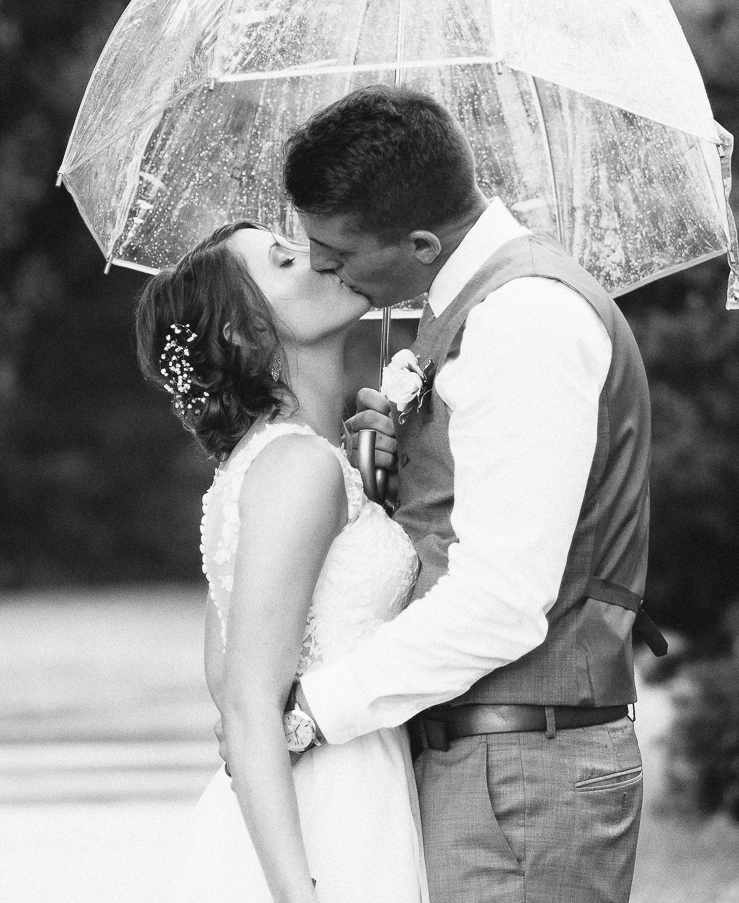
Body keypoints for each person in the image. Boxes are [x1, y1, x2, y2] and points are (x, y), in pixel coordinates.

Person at [277, 84, 656, 903]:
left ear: (419, 243)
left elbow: (502, 599)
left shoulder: (525, 322)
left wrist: (315, 708)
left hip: (523, 776)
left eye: (334, 249)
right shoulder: (471, 312)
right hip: (490, 764)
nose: (318, 267)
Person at [136, 223, 428, 903]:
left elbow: (224, 668)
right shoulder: (297, 467)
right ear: (244, 333)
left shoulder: (280, 461)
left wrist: (377, 496)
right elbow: (244, 702)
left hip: (336, 788)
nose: (319, 256)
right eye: (284, 259)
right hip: (330, 816)